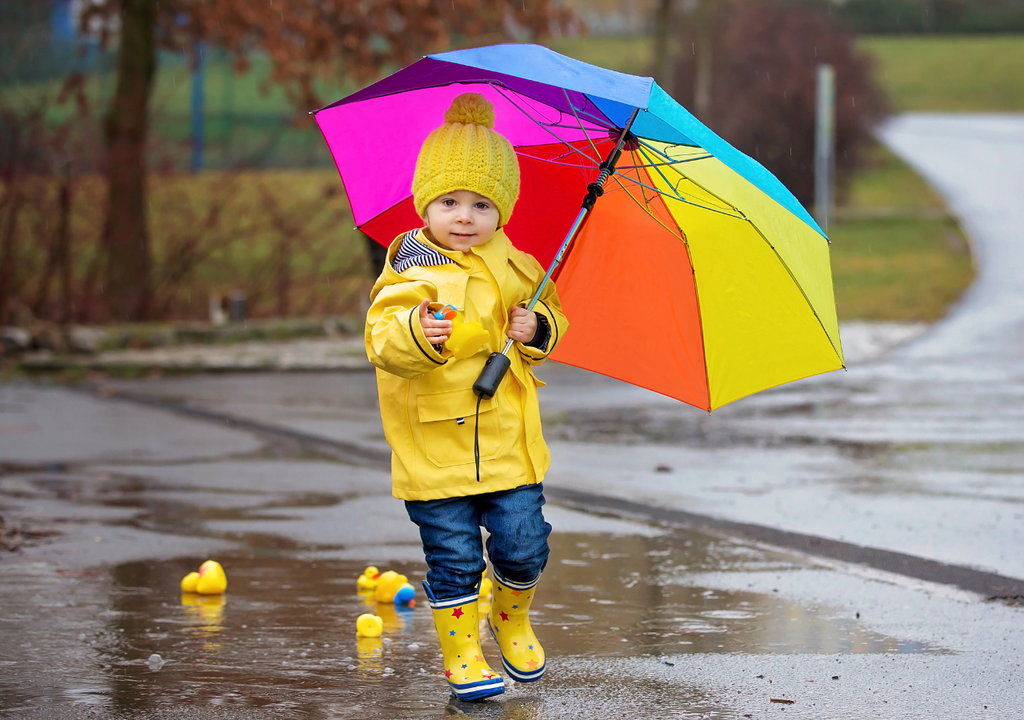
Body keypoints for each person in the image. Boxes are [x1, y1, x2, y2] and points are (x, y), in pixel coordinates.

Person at [364, 92, 569, 702]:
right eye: (449, 201)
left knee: (525, 545)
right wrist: (415, 334)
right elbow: (382, 338)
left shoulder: (523, 267)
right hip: (435, 448)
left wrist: (536, 331)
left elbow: (551, 321)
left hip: (508, 444)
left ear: (501, 211)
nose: (464, 216)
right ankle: (462, 653)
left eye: (482, 204)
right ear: (425, 202)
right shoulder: (410, 262)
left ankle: (510, 613)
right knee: (454, 560)